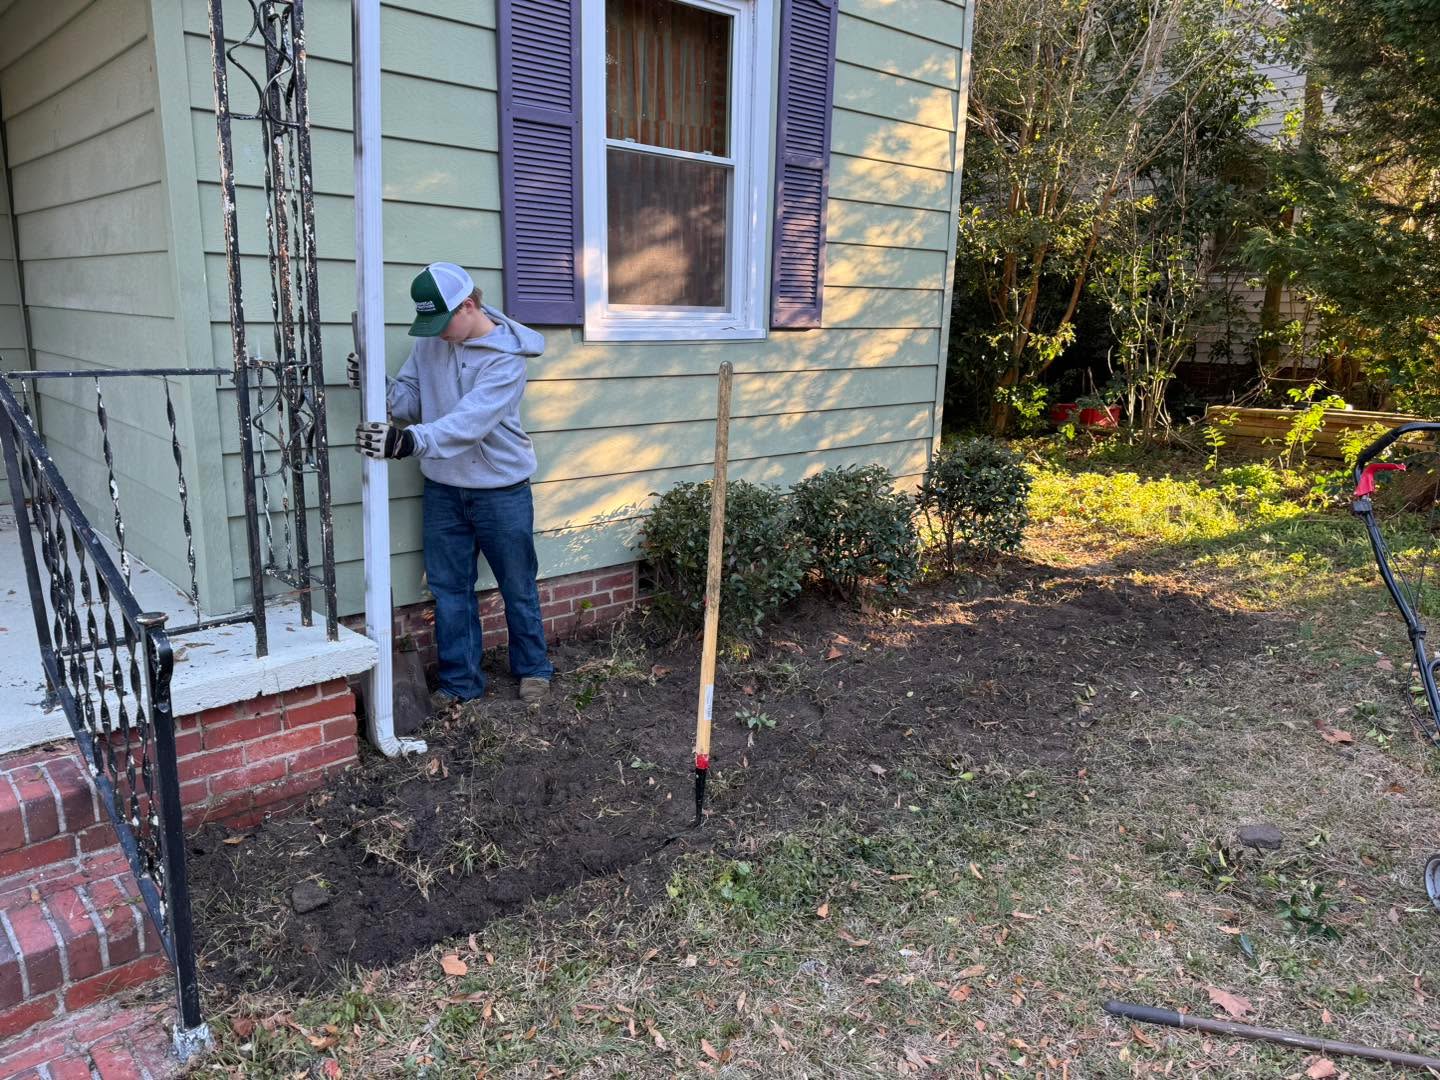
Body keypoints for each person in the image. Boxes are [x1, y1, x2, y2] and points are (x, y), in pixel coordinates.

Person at [351, 261, 553, 707]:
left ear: (469, 304)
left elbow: (469, 423)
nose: (437, 333)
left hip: (501, 490)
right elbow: (410, 396)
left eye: (443, 322)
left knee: (517, 584)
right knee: (448, 591)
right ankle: (462, 684)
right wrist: (376, 387)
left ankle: (534, 670)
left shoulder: (506, 359)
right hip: (444, 489)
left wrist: (407, 441)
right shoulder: (430, 341)